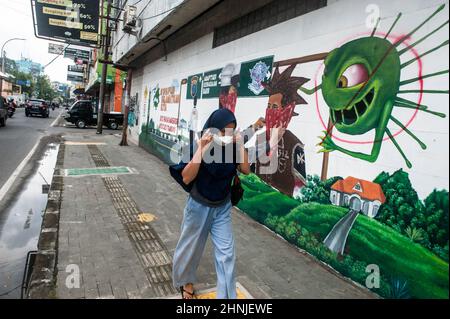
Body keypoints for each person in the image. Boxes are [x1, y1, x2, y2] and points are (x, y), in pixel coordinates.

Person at [172, 108, 250, 299]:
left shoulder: (233, 146)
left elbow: (246, 170)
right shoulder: (201, 143)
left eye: (232, 130)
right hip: (198, 207)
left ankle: (227, 297)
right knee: (190, 249)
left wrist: (240, 145)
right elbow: (187, 177)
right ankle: (185, 283)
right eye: (224, 131)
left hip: (222, 208)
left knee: (226, 254)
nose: (227, 135)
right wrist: (201, 149)